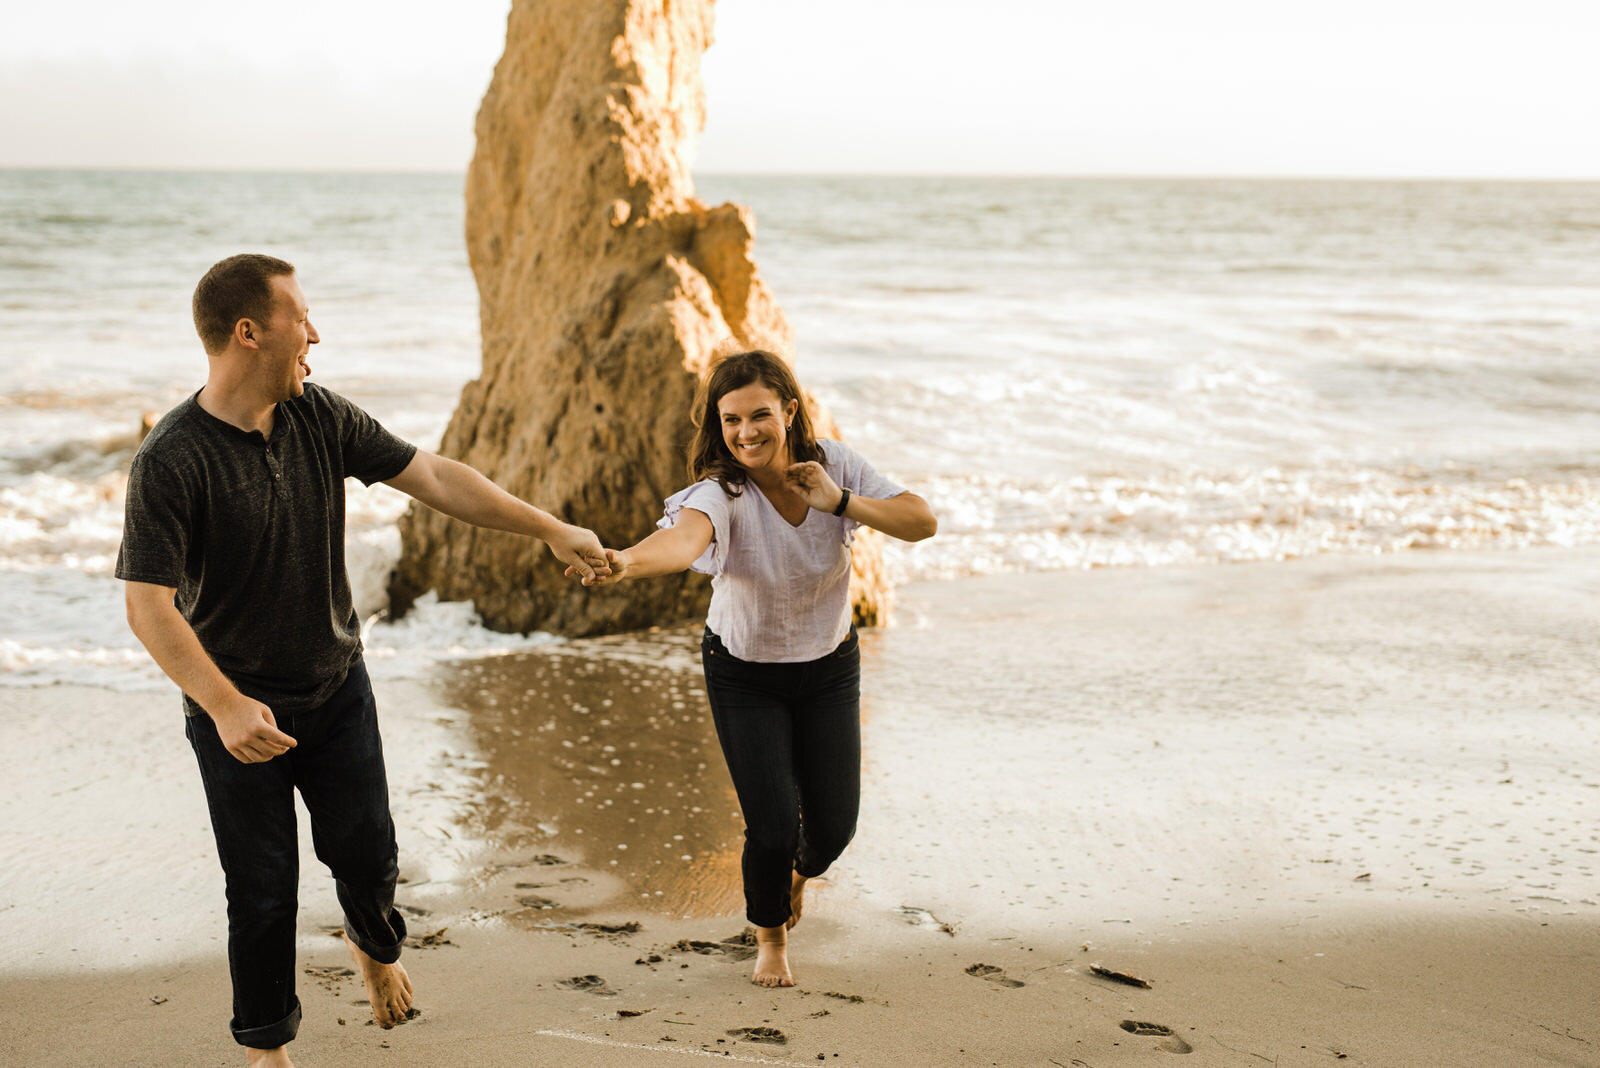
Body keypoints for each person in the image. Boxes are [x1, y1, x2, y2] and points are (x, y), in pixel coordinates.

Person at [116, 253, 609, 1068]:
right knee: (263, 890)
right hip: (236, 710)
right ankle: (267, 1051)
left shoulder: (318, 416)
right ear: (249, 332)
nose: (315, 332)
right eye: (298, 316)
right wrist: (226, 707)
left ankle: (375, 949)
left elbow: (438, 477)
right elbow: (147, 605)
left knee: (370, 858)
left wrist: (549, 527)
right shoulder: (172, 458)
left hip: (337, 685)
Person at [571, 350, 936, 987]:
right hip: (745, 672)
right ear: (719, 424)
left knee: (829, 833)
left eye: (760, 415)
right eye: (732, 420)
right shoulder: (720, 492)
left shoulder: (836, 465)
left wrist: (840, 500)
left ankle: (797, 877)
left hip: (828, 666)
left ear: (789, 411)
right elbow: (682, 541)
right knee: (770, 828)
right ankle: (769, 936)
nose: (747, 433)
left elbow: (920, 522)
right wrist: (625, 561)